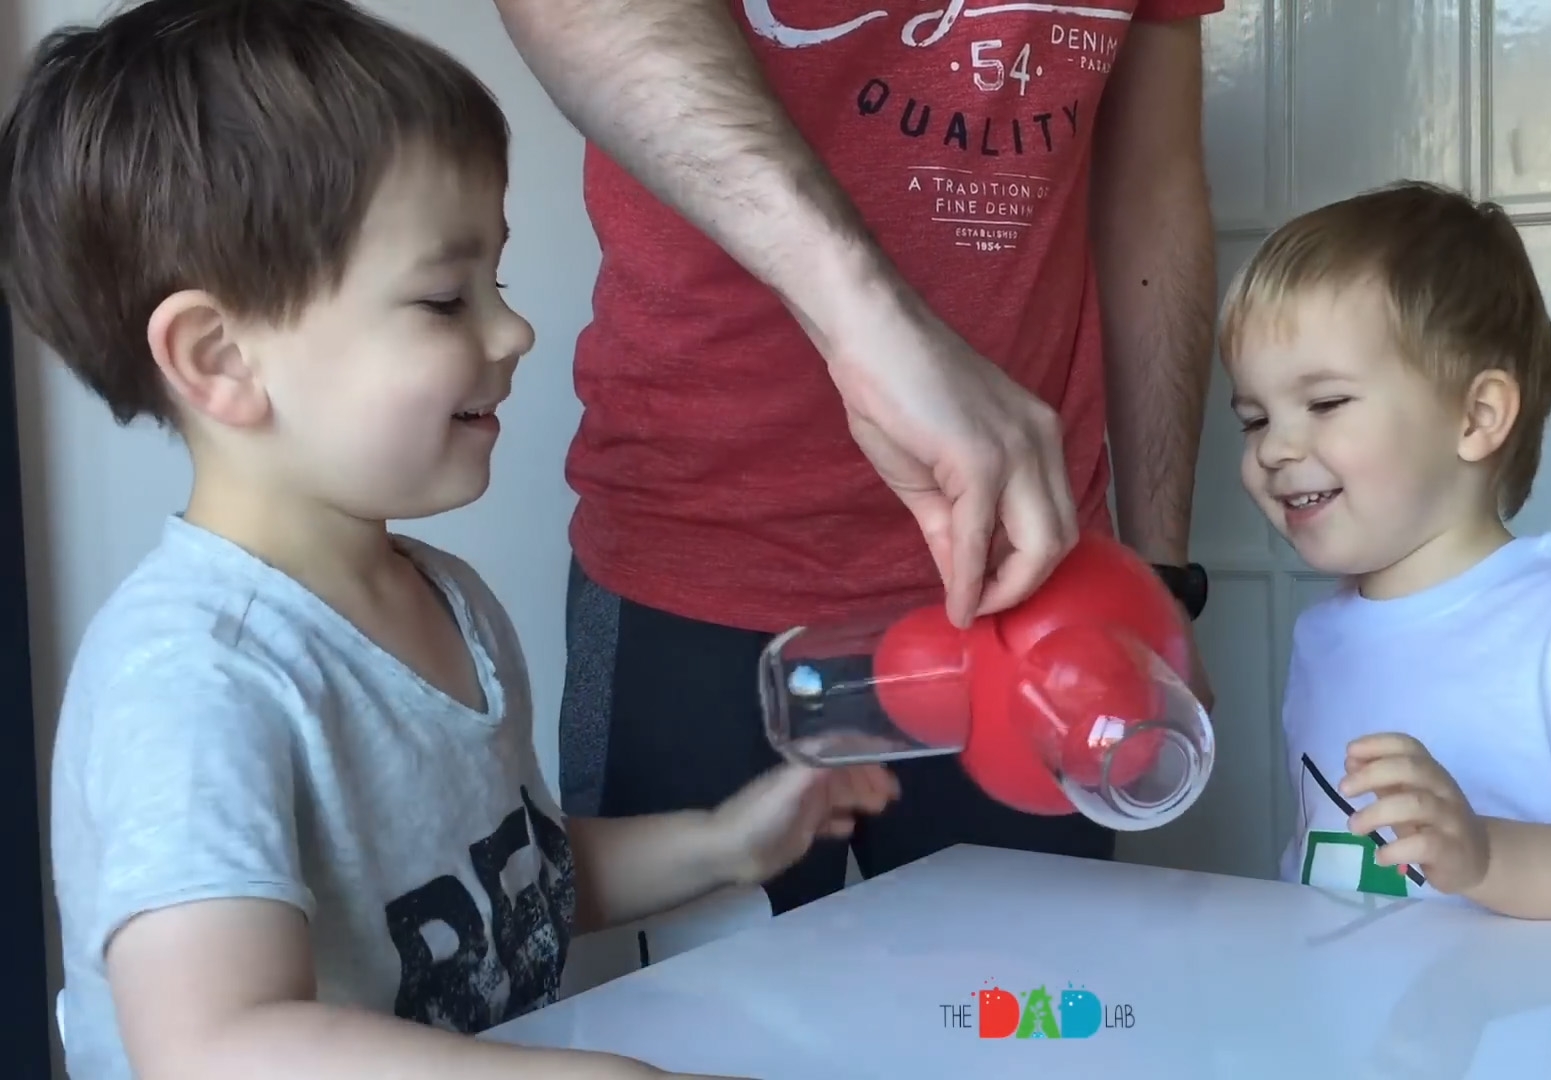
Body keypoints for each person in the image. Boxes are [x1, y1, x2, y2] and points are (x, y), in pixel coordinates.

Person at [2, 3, 893, 1078]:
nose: (512, 332)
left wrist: (722, 844)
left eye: (498, 284)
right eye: (443, 299)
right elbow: (214, 1044)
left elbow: (509, 894)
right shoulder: (194, 679)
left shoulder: (449, 601)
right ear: (219, 356)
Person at [492, 0, 1223, 914]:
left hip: (1037, 595)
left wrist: (1158, 572)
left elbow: (1150, 187)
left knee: (1023, 1029)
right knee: (699, 1038)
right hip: (694, 559)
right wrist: (869, 317)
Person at [1219, 181, 1551, 929]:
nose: (1274, 447)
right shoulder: (1319, 637)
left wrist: (1488, 856)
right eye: (1254, 418)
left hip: (1543, 1039)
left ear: (1477, 416)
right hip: (1349, 1035)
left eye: (1325, 403)